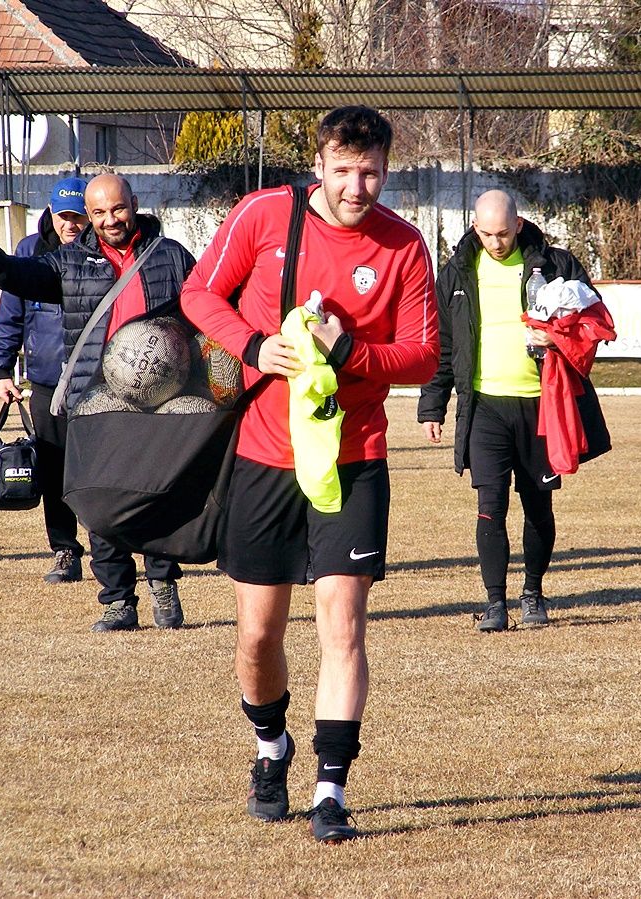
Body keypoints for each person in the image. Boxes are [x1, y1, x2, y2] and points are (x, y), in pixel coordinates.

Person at [180, 106, 437, 843]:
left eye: (372, 173)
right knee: (258, 635)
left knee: (342, 626)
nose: (357, 187)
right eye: (344, 170)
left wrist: (350, 350)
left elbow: (423, 355)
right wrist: (253, 346)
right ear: (318, 164)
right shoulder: (263, 213)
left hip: (354, 459)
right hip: (265, 455)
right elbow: (199, 295)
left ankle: (330, 791)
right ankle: (271, 746)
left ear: (386, 171)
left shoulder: (404, 245)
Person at [0, 174, 197, 633]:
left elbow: (206, 304)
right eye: (99, 212)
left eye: (118, 209)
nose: (110, 220)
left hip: (158, 401)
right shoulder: (68, 261)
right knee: (100, 505)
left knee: (157, 498)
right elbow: (21, 276)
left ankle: (163, 584)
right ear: (89, 215)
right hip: (93, 399)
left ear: (134, 203)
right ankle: (118, 601)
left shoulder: (170, 255)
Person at [417, 190, 598, 632]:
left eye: (503, 233)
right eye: (487, 234)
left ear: (518, 224)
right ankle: (495, 603)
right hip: (484, 408)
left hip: (541, 406)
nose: (496, 242)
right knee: (490, 505)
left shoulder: (555, 265)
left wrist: (558, 338)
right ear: (475, 227)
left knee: (538, 505)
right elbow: (444, 344)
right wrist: (433, 405)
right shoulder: (457, 271)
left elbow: (594, 321)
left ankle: (533, 593)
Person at [0, 177, 89, 585]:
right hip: (47, 381)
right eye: (64, 216)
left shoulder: (101, 252)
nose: (70, 225)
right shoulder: (28, 251)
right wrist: (1, 370)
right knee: (52, 470)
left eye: (78, 217)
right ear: (50, 212)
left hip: (99, 382)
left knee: (99, 471)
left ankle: (109, 550)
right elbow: (11, 314)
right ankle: (65, 550)